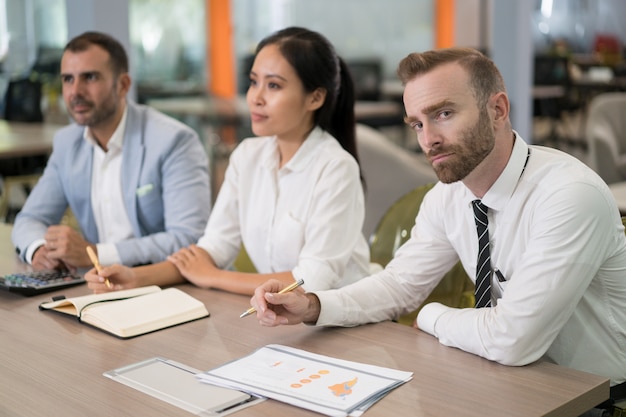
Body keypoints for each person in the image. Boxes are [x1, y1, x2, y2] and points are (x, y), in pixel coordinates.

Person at [249, 47, 626, 412]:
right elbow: (398, 286)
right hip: (509, 383)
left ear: (497, 109)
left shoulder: (569, 196)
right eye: (417, 123)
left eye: (443, 113)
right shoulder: (448, 196)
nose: (428, 139)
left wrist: (431, 315)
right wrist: (312, 305)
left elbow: (513, 339)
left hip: (598, 399)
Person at [85, 26, 370, 295]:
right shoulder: (247, 156)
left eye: (273, 86)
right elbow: (215, 247)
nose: (255, 97)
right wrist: (136, 277)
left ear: (315, 98)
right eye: (254, 82)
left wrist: (213, 277)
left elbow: (310, 281)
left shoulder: (336, 168)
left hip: (342, 323)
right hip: (282, 317)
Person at [12, 31, 211, 271]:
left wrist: (96, 254)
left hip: (169, 285)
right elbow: (30, 218)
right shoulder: (67, 143)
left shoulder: (173, 141)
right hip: (103, 284)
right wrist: (38, 249)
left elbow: (188, 238)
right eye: (68, 79)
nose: (75, 91)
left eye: (90, 77)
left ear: (123, 85)